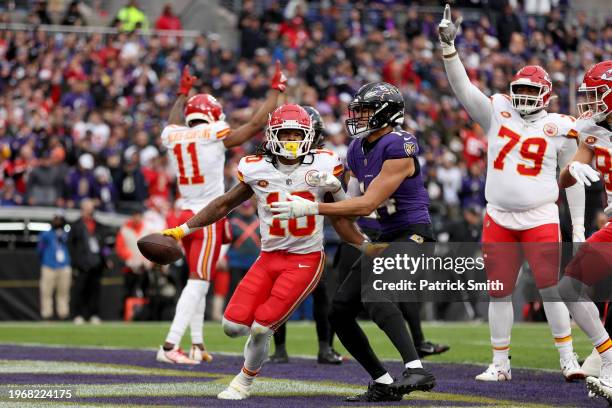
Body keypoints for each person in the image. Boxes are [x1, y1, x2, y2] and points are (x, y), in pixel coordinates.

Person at [161, 104, 358, 400]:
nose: (291, 139)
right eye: (285, 133)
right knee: (230, 326)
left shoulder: (326, 163)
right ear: (272, 135)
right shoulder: (255, 166)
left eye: (297, 133)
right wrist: (184, 229)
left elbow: (345, 215)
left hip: (305, 259)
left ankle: (243, 382)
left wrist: (338, 190)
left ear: (309, 136)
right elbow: (224, 204)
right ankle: (255, 352)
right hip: (268, 257)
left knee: (262, 328)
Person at [439, 4, 586, 381]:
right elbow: (463, 89)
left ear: (546, 95)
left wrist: (579, 226)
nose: (521, 96)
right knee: (498, 291)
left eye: (530, 90)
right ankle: (500, 363)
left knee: (550, 288)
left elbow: (574, 177)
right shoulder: (496, 111)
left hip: (540, 214)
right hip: (499, 214)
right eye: (518, 89)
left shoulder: (560, 126)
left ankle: (567, 358)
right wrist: (449, 50)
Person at [271, 82, 437, 402]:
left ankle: (417, 368)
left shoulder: (399, 143)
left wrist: (313, 206)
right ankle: (383, 381)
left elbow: (365, 205)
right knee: (340, 311)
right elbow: (352, 202)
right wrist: (333, 187)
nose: (358, 116)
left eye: (364, 110)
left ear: (386, 112)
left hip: (413, 234)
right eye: (357, 110)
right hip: (383, 235)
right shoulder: (357, 149)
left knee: (376, 295)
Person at [154, 62, 287, 365]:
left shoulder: (175, 134)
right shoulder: (214, 133)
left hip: (182, 213)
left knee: (196, 280)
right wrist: (275, 91)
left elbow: (175, 122)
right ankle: (169, 345)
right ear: (213, 115)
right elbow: (255, 125)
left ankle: (197, 343)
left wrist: (181, 94)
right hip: (207, 216)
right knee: (199, 282)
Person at [268, 106, 342, 365]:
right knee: (277, 296)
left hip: (312, 243)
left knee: (323, 295)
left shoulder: (324, 161)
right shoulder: (273, 162)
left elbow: (342, 203)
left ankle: (325, 347)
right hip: (280, 242)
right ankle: (279, 348)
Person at [557, 60, 612, 403]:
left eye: (596, 95)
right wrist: (573, 171)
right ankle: (608, 359)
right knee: (569, 286)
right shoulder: (592, 127)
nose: (589, 103)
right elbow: (565, 177)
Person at [68, 199, 109, 325]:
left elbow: (103, 245)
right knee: (80, 290)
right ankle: (78, 314)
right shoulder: (76, 226)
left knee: (95, 291)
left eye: (90, 209)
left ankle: (94, 314)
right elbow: (71, 246)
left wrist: (105, 259)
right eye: (86, 208)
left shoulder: (98, 225)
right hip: (82, 264)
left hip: (96, 263)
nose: (89, 211)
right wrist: (76, 261)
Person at [37, 212, 71, 320]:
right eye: (56, 219)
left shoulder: (67, 234)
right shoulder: (45, 234)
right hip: (49, 266)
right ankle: (47, 314)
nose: (58, 222)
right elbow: (39, 250)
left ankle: (63, 314)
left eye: (60, 219)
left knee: (64, 292)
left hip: (64, 265)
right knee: (46, 292)